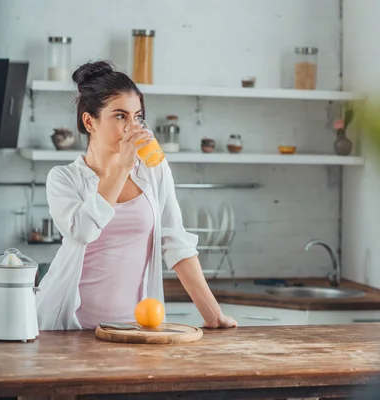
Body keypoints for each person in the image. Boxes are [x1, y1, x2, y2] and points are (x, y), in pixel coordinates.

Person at [35, 60, 237, 330]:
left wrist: (214, 315)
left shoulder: (154, 170)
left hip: (138, 327)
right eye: (120, 116)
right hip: (68, 328)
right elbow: (82, 232)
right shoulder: (64, 179)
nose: (133, 127)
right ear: (89, 121)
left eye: (137, 117)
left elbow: (176, 242)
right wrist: (122, 168)